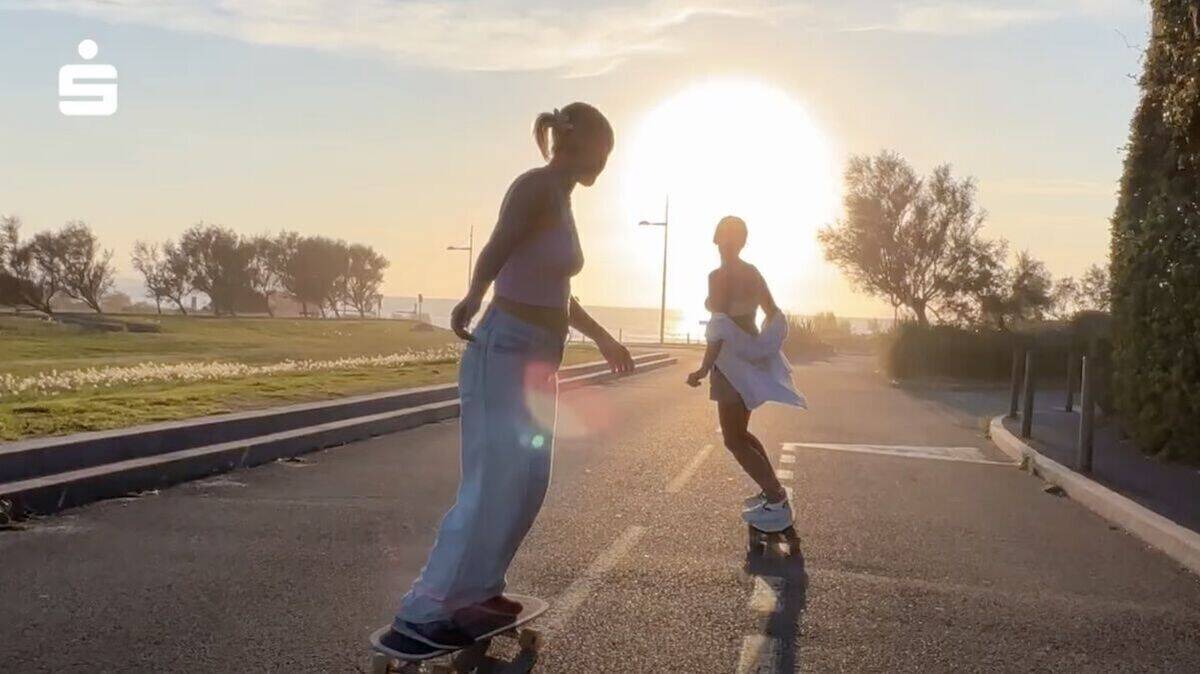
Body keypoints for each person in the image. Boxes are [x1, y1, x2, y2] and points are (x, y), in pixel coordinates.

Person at [384, 103, 635, 652]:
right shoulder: (536, 187)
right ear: (578, 143)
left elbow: (558, 294)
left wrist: (604, 338)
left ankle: (477, 590)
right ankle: (425, 607)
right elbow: (498, 247)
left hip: (538, 360)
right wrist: (472, 297)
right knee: (492, 480)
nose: (606, 164)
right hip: (504, 351)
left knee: (525, 485)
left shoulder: (562, 200)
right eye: (604, 152)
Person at [686, 216, 804, 532]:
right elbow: (774, 314)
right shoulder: (752, 273)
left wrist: (703, 367)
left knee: (733, 439)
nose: (724, 245)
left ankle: (776, 499)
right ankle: (773, 494)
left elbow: (720, 326)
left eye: (725, 239)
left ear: (718, 240)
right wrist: (762, 346)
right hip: (750, 360)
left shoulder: (718, 276)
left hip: (729, 366)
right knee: (742, 434)